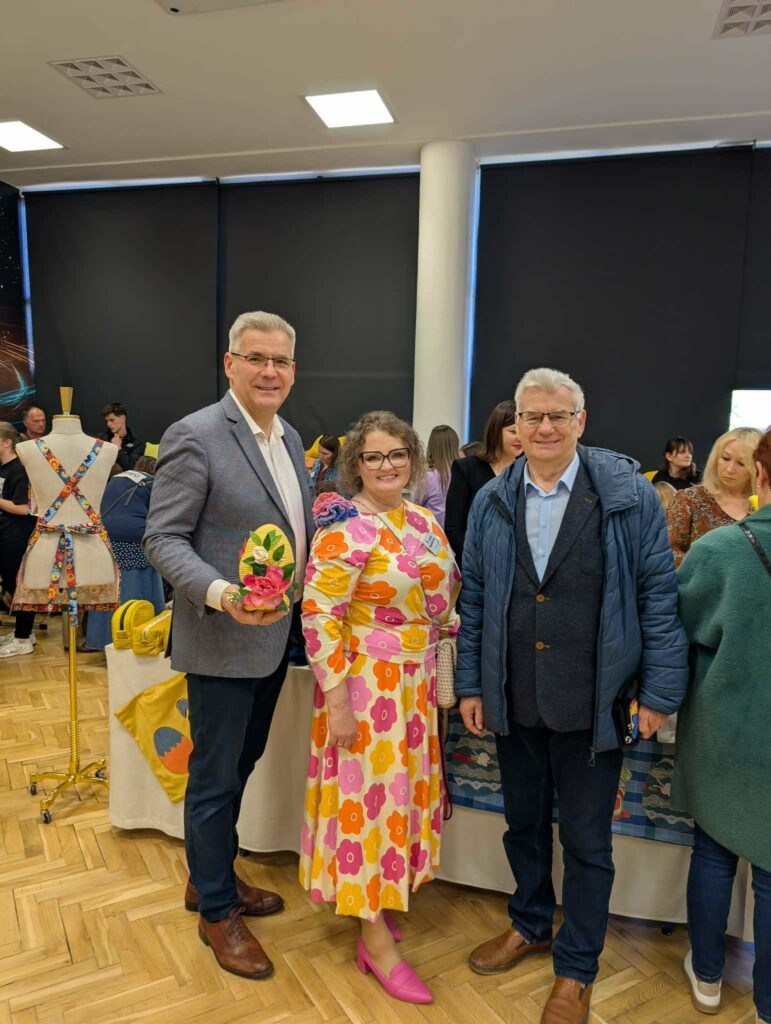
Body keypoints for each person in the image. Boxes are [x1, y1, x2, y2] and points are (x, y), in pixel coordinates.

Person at [455, 367, 688, 1024]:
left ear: (580, 421)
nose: (545, 427)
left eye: (558, 415)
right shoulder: (492, 500)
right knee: (523, 825)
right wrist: (471, 683)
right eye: (532, 416)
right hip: (514, 698)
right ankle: (529, 922)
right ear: (515, 424)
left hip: (595, 704)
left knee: (587, 842)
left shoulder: (627, 497)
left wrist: (659, 694)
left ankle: (577, 966)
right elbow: (474, 600)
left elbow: (657, 597)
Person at [143, 311, 314, 981]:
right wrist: (221, 594)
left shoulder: (289, 436)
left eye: (281, 361)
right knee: (214, 778)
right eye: (256, 358)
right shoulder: (196, 435)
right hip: (221, 638)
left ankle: (207, 875)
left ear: (293, 370)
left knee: (238, 766)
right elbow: (162, 539)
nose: (270, 371)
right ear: (230, 364)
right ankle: (217, 913)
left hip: (274, 640)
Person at [299, 410, 460, 1005]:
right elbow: (319, 618)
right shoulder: (344, 530)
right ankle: (373, 939)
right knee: (369, 808)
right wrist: (338, 703)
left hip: (414, 687)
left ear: (413, 460)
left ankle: (378, 904)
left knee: (396, 801)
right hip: (366, 688)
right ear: (356, 465)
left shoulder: (422, 520)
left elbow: (445, 598)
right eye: (374, 456)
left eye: (397, 454)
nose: (387, 465)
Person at [672, 428, 771, 1024]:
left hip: (726, 724)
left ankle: (708, 975)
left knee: (711, 853)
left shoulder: (722, 551)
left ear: (762, 473)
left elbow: (678, 627)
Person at [84, 455, 164, 651]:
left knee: (107, 592)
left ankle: (101, 640)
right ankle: (134, 638)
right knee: (136, 589)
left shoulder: (116, 479)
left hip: (105, 539)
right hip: (136, 539)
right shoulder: (153, 483)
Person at [666, 427, 762, 568]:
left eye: (741, 463)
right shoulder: (689, 499)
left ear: (757, 469)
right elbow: (668, 550)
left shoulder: (763, 506)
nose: (729, 469)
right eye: (725, 458)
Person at [445, 399, 522, 561]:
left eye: (524, 432)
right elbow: (453, 529)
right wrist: (482, 557)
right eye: (513, 432)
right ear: (496, 431)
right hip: (474, 563)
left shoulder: (527, 471)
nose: (520, 438)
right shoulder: (466, 468)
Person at [0, 423, 36, 658]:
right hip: (5, 536)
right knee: (11, 586)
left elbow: (24, 508)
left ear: (6, 442)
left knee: (21, 587)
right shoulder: (3, 468)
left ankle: (23, 638)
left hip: (16, 537)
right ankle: (26, 632)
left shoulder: (20, 471)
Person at [411, 424, 460, 527]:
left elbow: (414, 505)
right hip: (456, 532)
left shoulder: (428, 476)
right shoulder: (463, 473)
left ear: (432, 446)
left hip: (433, 531)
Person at [101, 402, 144, 470]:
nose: (108, 424)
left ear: (123, 418)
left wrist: (119, 449)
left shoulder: (137, 445)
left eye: (112, 420)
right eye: (107, 421)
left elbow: (132, 469)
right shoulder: (102, 440)